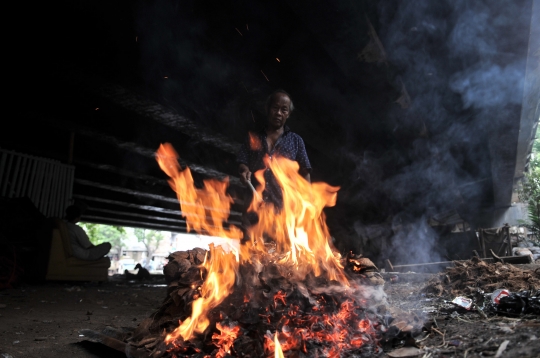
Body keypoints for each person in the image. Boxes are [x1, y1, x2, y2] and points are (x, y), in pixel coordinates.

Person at [237, 89, 311, 211]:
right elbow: (242, 161)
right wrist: (244, 170)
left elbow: (305, 173)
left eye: (284, 109)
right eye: (275, 108)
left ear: (289, 114)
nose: (278, 113)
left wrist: (307, 204)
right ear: (267, 109)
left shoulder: (296, 141)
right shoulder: (253, 137)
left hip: (282, 214)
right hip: (253, 209)